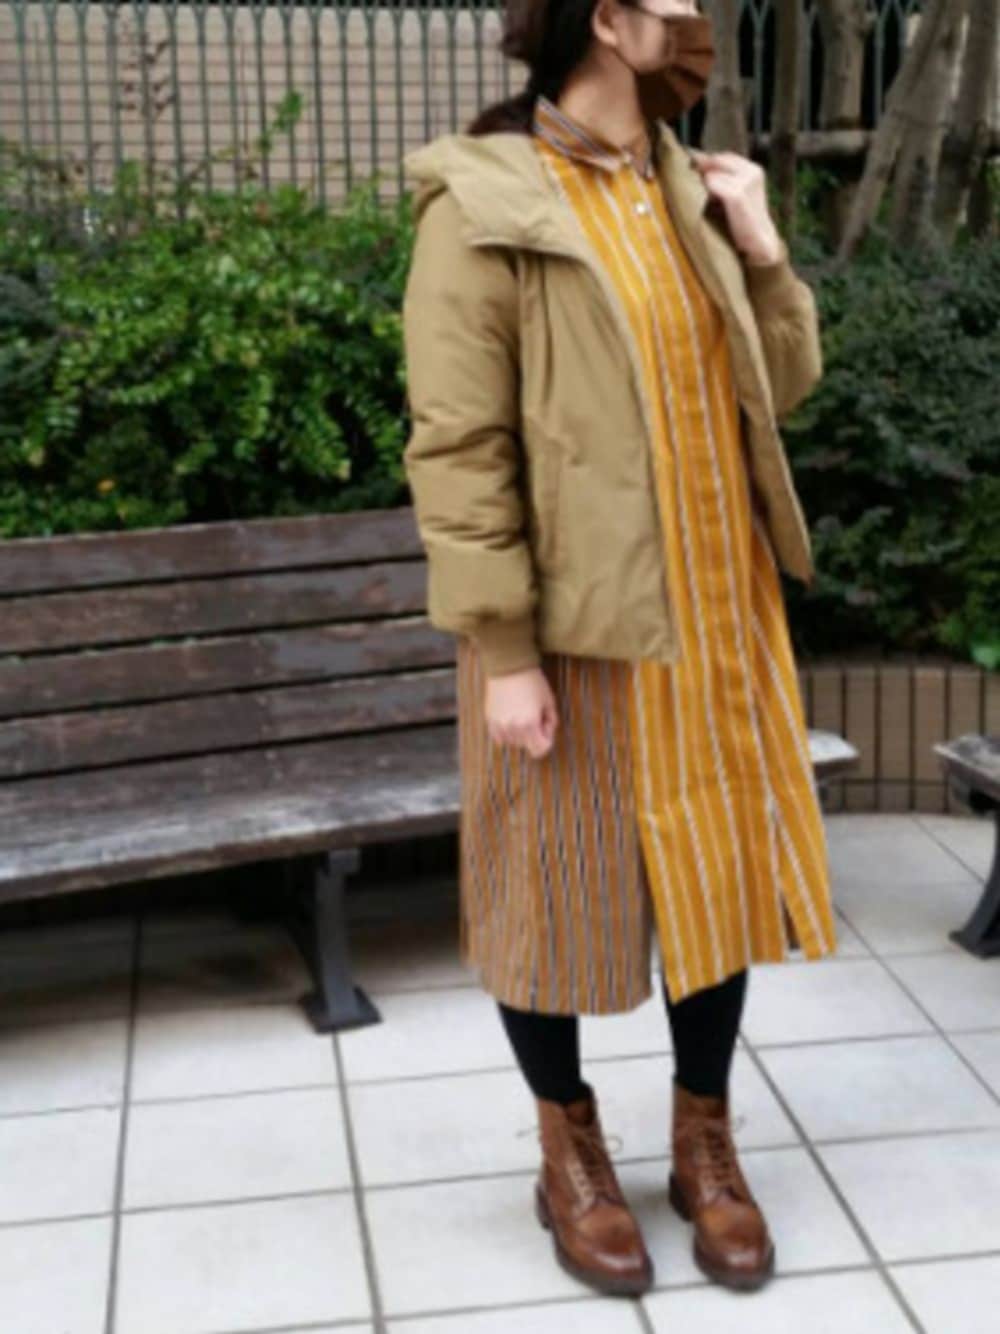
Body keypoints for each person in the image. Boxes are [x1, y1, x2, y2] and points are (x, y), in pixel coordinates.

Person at [400, 0, 838, 1300]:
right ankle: (570, 1150)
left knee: (718, 879)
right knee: (549, 886)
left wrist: (762, 249)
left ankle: (705, 1138)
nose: (700, 17)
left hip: (717, 611)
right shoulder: (483, 204)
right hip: (570, 630)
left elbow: (779, 386)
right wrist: (504, 649)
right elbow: (459, 449)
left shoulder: (687, 188)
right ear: (606, 20)